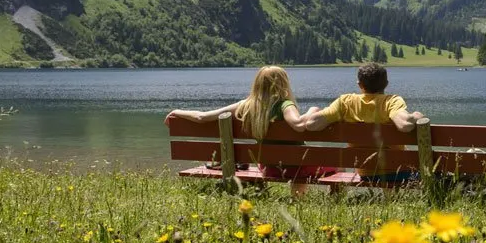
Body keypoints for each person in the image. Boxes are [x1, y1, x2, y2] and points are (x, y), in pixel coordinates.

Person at [167, 66, 322, 180]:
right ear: (284, 84)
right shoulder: (285, 105)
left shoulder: (246, 106)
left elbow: (202, 117)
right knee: (332, 165)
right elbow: (299, 125)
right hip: (296, 168)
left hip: (270, 169)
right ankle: (297, 199)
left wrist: (177, 112)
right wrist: (312, 111)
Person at [299, 62, 427, 182]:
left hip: (366, 174)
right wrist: (416, 115)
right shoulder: (391, 101)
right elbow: (405, 125)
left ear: (360, 84)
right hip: (398, 172)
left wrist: (312, 111)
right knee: (440, 175)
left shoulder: (345, 102)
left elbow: (311, 124)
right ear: (386, 83)